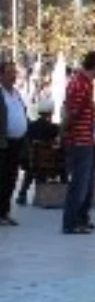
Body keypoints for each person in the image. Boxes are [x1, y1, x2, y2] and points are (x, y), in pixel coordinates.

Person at [61, 51, 95, 235]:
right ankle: (71, 223)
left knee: (88, 182)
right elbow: (72, 111)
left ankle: (82, 218)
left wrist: (92, 110)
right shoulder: (80, 83)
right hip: (79, 141)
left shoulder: (85, 83)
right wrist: (64, 132)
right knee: (79, 183)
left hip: (87, 139)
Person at [0, 58, 30, 225]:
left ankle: (4, 212)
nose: (14, 76)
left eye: (15, 73)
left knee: (11, 178)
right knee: (2, 179)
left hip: (17, 143)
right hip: (3, 144)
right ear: (1, 75)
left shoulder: (16, 93)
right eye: (10, 72)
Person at [15, 94, 59, 207]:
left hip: (31, 160)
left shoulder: (31, 126)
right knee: (50, 162)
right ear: (51, 112)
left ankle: (22, 193)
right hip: (49, 163)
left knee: (32, 166)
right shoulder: (53, 128)